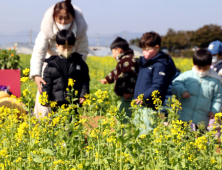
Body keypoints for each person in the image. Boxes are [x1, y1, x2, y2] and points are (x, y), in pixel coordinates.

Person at [29, 0, 88, 118]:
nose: (63, 22)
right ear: (54, 17)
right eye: (59, 18)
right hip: (50, 72)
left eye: (66, 18)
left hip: (71, 72)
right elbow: (39, 53)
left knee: (69, 111)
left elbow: (82, 53)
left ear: (73, 17)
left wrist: (75, 70)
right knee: (44, 110)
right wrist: (36, 75)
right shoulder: (46, 31)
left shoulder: (80, 33)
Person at [133, 32, 176, 134]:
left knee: (146, 132)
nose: (144, 53)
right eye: (143, 50)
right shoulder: (146, 62)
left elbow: (157, 86)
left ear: (157, 48)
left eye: (147, 50)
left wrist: (143, 97)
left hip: (150, 105)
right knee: (138, 129)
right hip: (140, 103)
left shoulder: (160, 65)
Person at [171, 49, 222, 129]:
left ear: (210, 65)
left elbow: (218, 98)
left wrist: (214, 110)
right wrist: (182, 91)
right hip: (183, 117)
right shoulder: (187, 75)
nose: (201, 71)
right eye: (199, 68)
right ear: (193, 64)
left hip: (201, 120)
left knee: (199, 139)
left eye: (205, 68)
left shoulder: (215, 80)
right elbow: (176, 83)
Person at [41, 30, 89, 110]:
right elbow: (47, 84)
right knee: (58, 122)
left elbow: (84, 80)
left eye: (69, 47)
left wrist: (83, 95)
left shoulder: (79, 63)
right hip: (56, 102)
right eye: (63, 47)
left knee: (73, 121)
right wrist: (45, 99)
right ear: (57, 46)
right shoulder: (51, 64)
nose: (66, 50)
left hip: (73, 102)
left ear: (73, 46)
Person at [99, 37, 139, 123]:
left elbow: (129, 76)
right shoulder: (124, 61)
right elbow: (115, 72)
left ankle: (125, 132)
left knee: (125, 114)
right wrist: (107, 79)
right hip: (126, 94)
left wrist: (127, 91)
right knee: (123, 112)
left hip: (128, 94)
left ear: (119, 50)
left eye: (113, 52)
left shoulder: (127, 61)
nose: (112, 54)